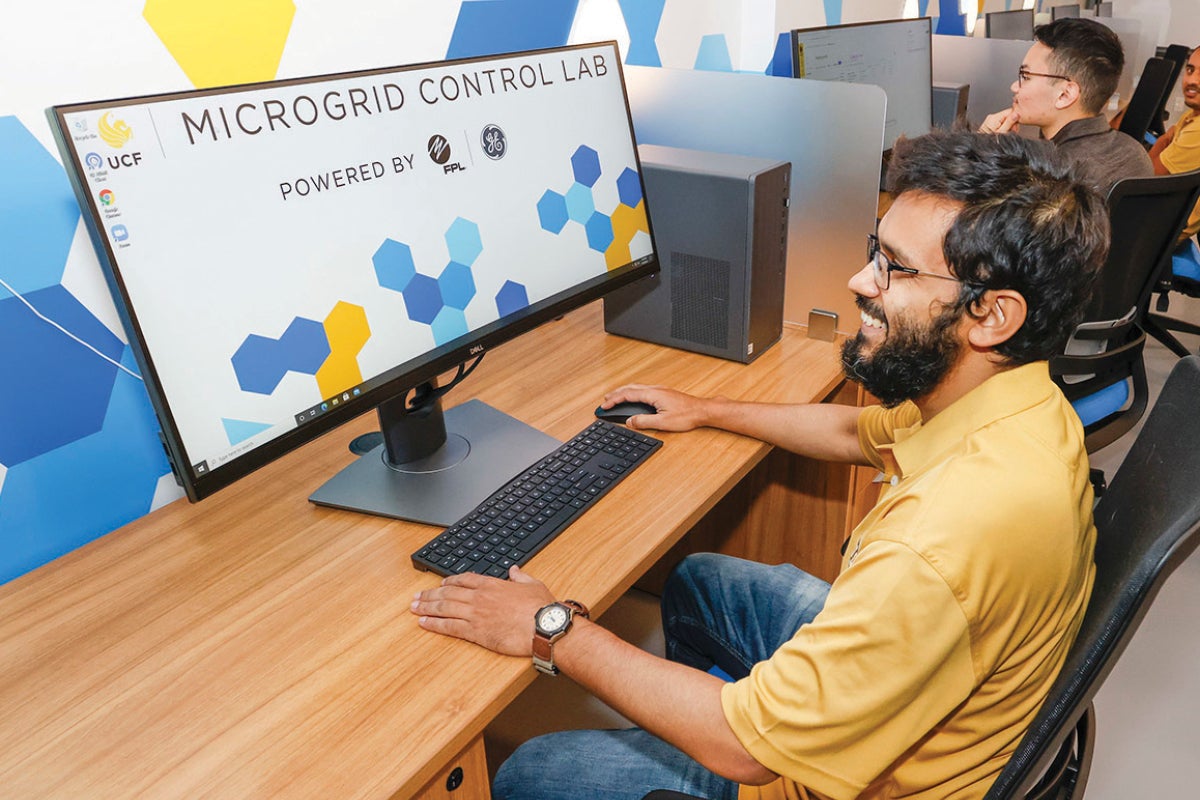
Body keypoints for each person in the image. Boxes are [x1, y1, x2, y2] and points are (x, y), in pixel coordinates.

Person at [410, 130, 1108, 800]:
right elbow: (856, 429)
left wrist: (550, 627)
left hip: (854, 781)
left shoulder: (943, 539)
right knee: (697, 580)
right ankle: (667, 731)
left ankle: (673, 756)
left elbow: (743, 749)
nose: (859, 279)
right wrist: (708, 408)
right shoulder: (1020, 403)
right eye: (877, 250)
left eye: (894, 267)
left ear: (992, 316)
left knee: (531, 769)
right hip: (937, 685)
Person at [979, 17, 1152, 194]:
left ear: (1065, 94)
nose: (1014, 86)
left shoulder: (1047, 178)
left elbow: (965, 218)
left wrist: (982, 154)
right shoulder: (1135, 153)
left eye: (1026, 76)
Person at [1148, 46, 1200, 244]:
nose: (1192, 80)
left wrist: (1162, 142)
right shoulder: (1192, 115)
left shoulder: (1197, 132)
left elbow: (1147, 178)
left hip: (1156, 234)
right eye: (1190, 69)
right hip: (1161, 220)